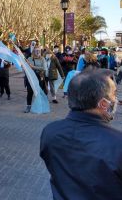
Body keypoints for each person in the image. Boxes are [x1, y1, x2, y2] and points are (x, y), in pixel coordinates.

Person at [40, 68, 122, 200]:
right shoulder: (117, 144)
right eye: (113, 94)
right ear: (103, 104)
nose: (116, 100)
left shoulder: (50, 132)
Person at [25, 47, 47, 113]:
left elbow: (44, 68)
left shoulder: (42, 59)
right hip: (31, 78)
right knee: (30, 92)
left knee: (39, 92)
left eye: (39, 51)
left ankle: (40, 106)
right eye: (36, 51)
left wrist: (33, 67)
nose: (38, 52)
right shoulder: (29, 59)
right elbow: (27, 67)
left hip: (39, 78)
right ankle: (28, 106)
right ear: (33, 51)